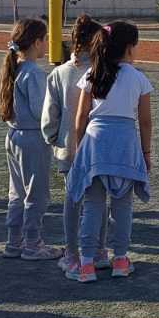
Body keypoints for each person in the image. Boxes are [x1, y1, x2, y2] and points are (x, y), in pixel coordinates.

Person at [64, 21, 151, 284]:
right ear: (129, 47)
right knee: (123, 205)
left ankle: (86, 264)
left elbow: (81, 117)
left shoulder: (93, 73)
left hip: (95, 142)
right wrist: (146, 153)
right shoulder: (137, 77)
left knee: (92, 206)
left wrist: (80, 148)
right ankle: (121, 260)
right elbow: (145, 121)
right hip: (125, 143)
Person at [42, 14, 104, 276]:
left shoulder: (58, 73)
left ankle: (72, 253)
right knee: (99, 201)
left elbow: (49, 117)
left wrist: (54, 139)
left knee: (73, 200)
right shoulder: (103, 72)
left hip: (69, 148)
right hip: (98, 147)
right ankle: (99, 251)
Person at [0, 18, 51, 260]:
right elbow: (42, 112)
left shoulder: (14, 68)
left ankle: (14, 241)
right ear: (37, 42)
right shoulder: (33, 72)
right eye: (45, 39)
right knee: (36, 194)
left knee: (17, 192)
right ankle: (32, 244)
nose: (47, 44)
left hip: (14, 135)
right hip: (32, 138)